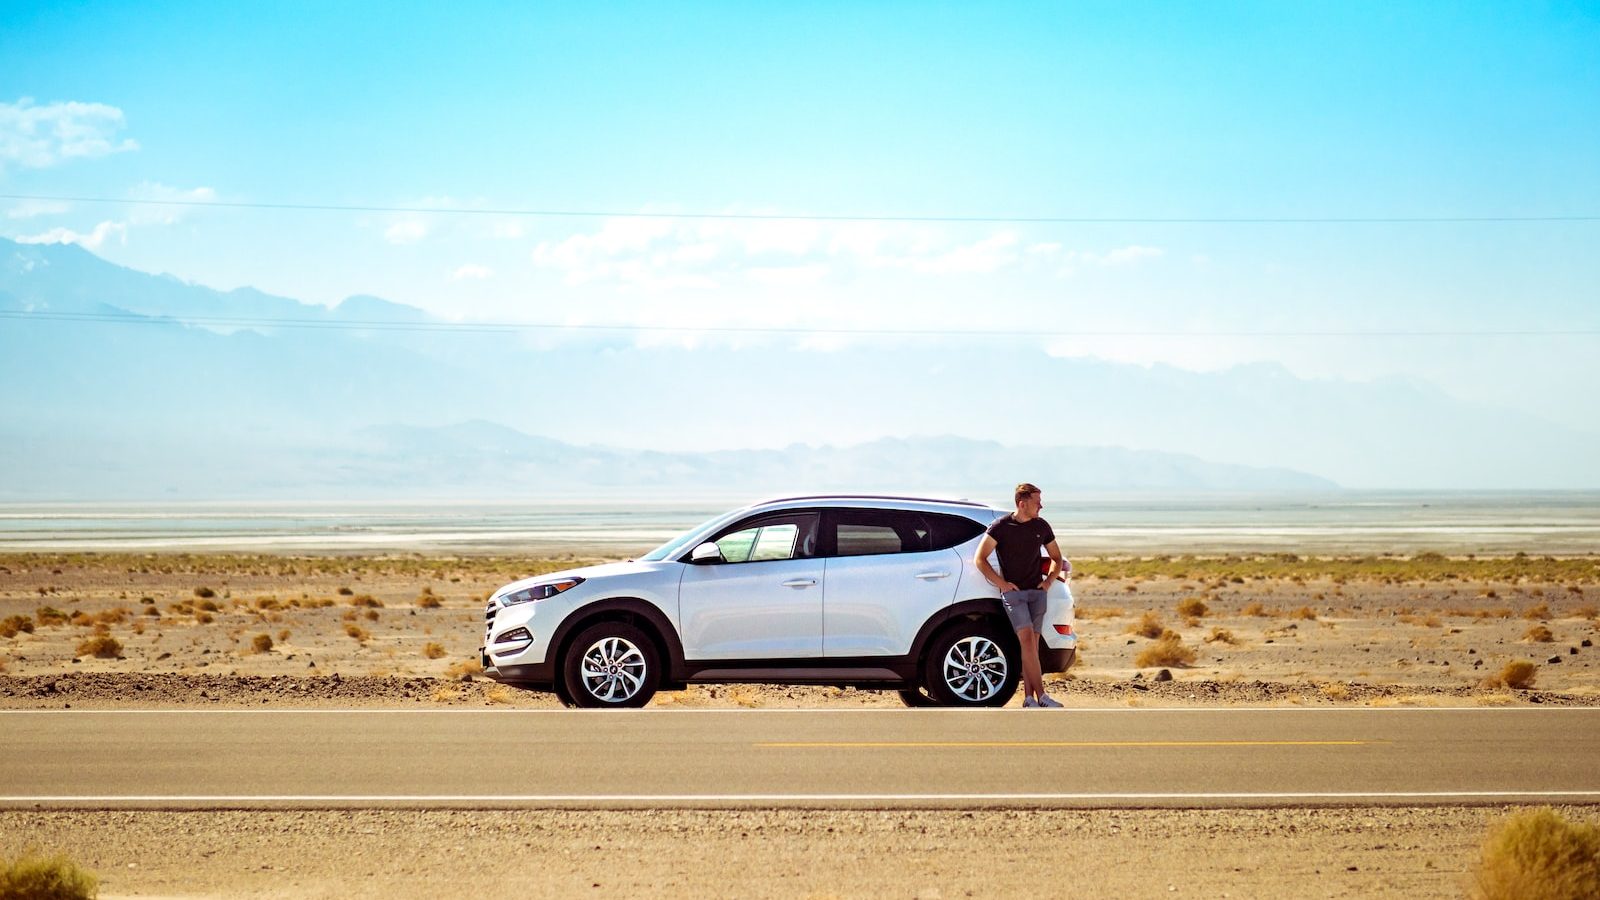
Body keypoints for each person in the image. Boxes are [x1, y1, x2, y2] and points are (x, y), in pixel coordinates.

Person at [974, 482, 1068, 708]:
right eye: (1037, 502)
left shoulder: (1042, 526)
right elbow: (980, 558)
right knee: (1026, 641)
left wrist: (1047, 583)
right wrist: (1002, 584)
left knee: (1032, 647)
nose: (1041, 506)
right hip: (1014, 596)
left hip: (1037, 594)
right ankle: (1043, 696)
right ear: (1022, 503)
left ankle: (1029, 698)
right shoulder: (1000, 527)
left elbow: (1057, 558)